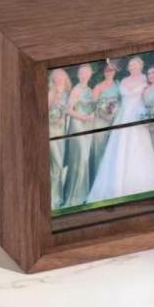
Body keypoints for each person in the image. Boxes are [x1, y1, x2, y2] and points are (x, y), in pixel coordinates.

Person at [86, 55, 154, 204]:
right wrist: (109, 109)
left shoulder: (145, 79)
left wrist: (152, 113)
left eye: (135, 65)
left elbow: (152, 95)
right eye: (130, 65)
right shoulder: (123, 81)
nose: (132, 67)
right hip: (122, 117)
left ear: (141, 66)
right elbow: (118, 100)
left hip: (137, 116)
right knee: (117, 149)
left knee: (138, 149)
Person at [62, 63, 96, 209]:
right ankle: (73, 196)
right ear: (78, 75)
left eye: (86, 73)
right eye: (81, 73)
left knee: (84, 159)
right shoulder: (76, 90)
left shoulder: (89, 90)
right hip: (77, 125)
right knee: (79, 158)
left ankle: (83, 194)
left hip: (88, 126)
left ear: (90, 74)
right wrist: (83, 118)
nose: (84, 75)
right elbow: (68, 110)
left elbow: (92, 107)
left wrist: (93, 114)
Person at [90, 59, 121, 180]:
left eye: (111, 70)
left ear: (115, 72)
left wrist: (114, 114)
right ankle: (98, 178)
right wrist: (104, 115)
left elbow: (121, 102)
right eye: (107, 70)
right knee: (100, 150)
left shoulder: (118, 85)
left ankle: (111, 178)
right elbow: (93, 106)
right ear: (104, 72)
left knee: (112, 149)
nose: (109, 72)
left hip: (114, 121)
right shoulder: (98, 87)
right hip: (100, 122)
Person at [48, 68, 71, 210]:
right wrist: (55, 118)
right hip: (52, 131)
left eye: (62, 76)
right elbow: (45, 113)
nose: (60, 79)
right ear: (53, 79)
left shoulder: (68, 94)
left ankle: (59, 197)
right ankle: (52, 200)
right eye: (57, 77)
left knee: (60, 164)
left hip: (63, 133)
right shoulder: (51, 93)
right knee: (56, 164)